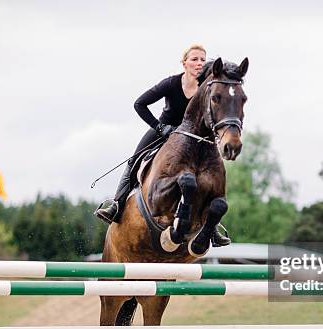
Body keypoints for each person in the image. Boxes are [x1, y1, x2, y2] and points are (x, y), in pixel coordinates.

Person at [95, 44, 231, 247]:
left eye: (203, 59)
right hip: (165, 130)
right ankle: (117, 203)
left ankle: (212, 227)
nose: (199, 63)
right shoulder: (171, 83)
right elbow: (139, 104)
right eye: (194, 59)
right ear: (184, 63)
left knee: (211, 174)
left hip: (195, 138)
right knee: (134, 161)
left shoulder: (209, 88)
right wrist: (159, 127)